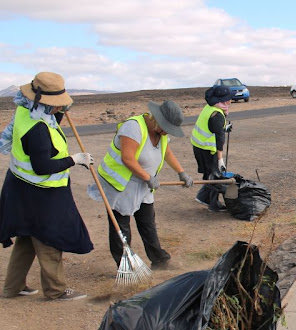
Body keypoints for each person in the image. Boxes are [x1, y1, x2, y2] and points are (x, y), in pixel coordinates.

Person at [0, 72, 94, 301]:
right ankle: (56, 290)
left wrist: (59, 113)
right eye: (55, 105)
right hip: (40, 191)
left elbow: (48, 128)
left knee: (27, 235)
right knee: (48, 237)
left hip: (20, 187)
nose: (57, 108)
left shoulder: (25, 110)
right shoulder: (37, 129)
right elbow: (42, 165)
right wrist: (75, 160)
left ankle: (13, 287)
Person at [97, 100, 193, 270]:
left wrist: (181, 172)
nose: (166, 132)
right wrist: (147, 176)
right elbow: (128, 158)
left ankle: (159, 260)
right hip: (121, 184)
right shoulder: (133, 127)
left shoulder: (161, 134)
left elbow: (167, 152)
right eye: (165, 127)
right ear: (156, 118)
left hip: (143, 184)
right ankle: (125, 266)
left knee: (147, 222)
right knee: (121, 228)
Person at [191, 85, 233, 211]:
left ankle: (203, 197)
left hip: (198, 146)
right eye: (228, 99)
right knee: (215, 175)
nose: (230, 101)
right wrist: (220, 160)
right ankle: (213, 204)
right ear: (223, 100)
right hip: (207, 149)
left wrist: (224, 128)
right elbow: (220, 139)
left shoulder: (210, 107)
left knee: (210, 173)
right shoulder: (217, 115)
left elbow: (213, 127)